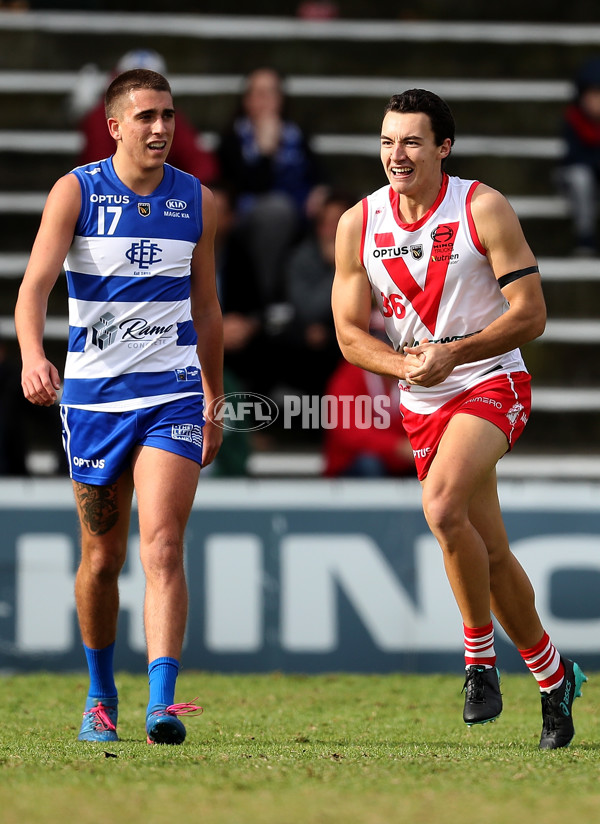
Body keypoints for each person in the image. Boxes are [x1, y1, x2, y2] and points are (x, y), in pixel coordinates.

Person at [331, 88, 587, 749]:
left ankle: (478, 662)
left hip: (491, 381)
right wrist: (405, 368)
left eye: (413, 141)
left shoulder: (482, 206)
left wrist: (454, 354)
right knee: (492, 553)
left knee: (442, 509)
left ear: (444, 147)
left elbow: (530, 312)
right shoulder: (359, 223)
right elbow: (350, 337)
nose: (397, 154)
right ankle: (554, 678)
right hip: (424, 398)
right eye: (388, 141)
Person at [15, 68, 224, 745]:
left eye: (168, 114)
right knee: (103, 560)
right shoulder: (75, 192)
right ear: (113, 126)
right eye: (145, 117)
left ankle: (161, 703)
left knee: (163, 545)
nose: (160, 127)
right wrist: (32, 355)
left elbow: (207, 309)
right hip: (95, 401)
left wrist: (216, 397)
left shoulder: (196, 200)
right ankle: (100, 693)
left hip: (173, 395)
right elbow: (33, 291)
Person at [217, 66, 327, 308]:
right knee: (277, 210)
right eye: (258, 93)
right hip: (250, 217)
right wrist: (266, 152)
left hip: (299, 212)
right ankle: (267, 300)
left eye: (271, 93)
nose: (265, 101)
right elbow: (248, 187)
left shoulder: (296, 135)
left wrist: (320, 192)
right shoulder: (232, 139)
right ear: (246, 100)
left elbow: (317, 175)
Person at [74, 49, 219, 184]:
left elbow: (202, 165)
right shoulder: (100, 118)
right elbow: (99, 172)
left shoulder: (169, 117)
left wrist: (177, 192)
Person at [285, 192, 352, 397]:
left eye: (341, 223)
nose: (333, 231)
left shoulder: (371, 256)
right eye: (328, 223)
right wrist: (339, 268)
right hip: (322, 338)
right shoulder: (302, 258)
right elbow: (310, 311)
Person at [555, 57, 600, 256]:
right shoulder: (574, 120)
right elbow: (572, 158)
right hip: (578, 178)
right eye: (593, 95)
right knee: (580, 178)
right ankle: (585, 236)